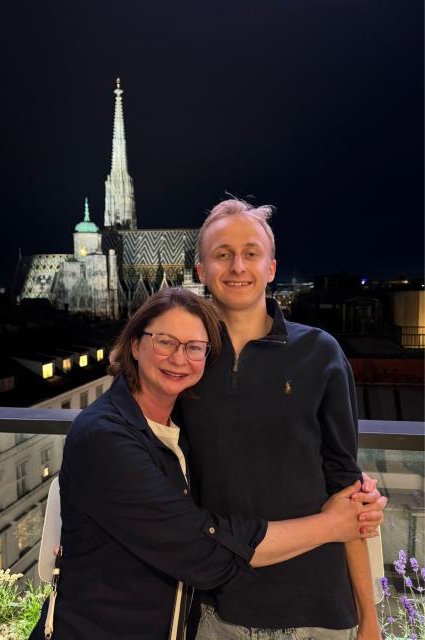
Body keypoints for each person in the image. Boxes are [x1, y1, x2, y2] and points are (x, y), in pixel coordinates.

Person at [29, 288, 383, 640]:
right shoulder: (104, 436)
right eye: (165, 342)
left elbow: (265, 456)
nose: (179, 359)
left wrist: (349, 491)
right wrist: (333, 524)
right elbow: (201, 550)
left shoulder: (176, 429)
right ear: (135, 345)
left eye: (194, 347)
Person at [179, 199, 386, 640]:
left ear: (271, 268)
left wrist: (369, 620)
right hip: (217, 611)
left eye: (251, 253)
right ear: (201, 271)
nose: (238, 266)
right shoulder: (183, 362)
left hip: (318, 610)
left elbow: (347, 489)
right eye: (222, 254)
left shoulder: (320, 353)